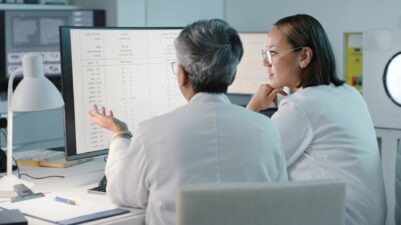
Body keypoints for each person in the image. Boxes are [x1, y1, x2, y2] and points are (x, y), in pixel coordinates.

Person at [88, 19, 288, 225]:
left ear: (182, 75)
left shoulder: (153, 132)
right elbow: (278, 197)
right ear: (232, 76)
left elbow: (122, 194)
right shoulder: (267, 130)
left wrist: (120, 134)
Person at [247, 14, 386, 225]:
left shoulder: (301, 106)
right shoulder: (349, 93)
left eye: (273, 53)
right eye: (265, 52)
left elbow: (247, 165)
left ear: (304, 57)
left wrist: (253, 108)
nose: (265, 62)